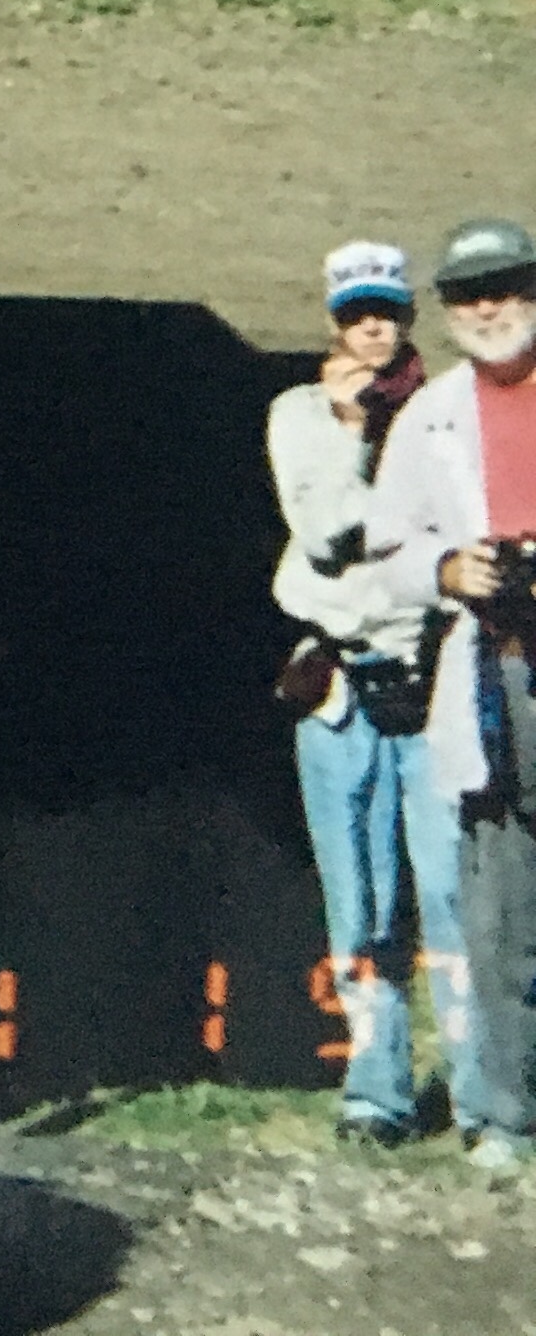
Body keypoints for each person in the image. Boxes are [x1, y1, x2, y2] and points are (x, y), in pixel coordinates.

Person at [271, 238, 460, 1145]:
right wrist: (352, 438)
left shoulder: (448, 411)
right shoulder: (301, 414)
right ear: (332, 320)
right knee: (363, 901)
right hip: (341, 683)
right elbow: (325, 534)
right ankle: (377, 1092)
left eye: (384, 311)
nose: (371, 328)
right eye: (354, 314)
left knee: (458, 892)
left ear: (408, 315)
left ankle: (479, 1081)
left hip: (436, 676)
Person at [368, 214, 536, 1177]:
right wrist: (446, 569)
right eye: (467, 293)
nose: (487, 306)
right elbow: (386, 552)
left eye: (506, 284)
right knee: (502, 903)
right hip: (494, 672)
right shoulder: (431, 413)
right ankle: (507, 1117)